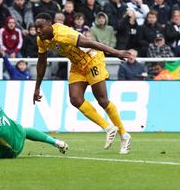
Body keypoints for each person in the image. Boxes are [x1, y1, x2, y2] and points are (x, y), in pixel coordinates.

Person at [33, 13, 132, 154]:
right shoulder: (41, 40)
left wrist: (116, 52)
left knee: (102, 100)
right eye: (36, 27)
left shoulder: (64, 34)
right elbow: (41, 62)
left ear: (50, 25)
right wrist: (37, 87)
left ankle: (124, 135)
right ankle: (109, 128)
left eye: (40, 27)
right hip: (77, 65)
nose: (38, 31)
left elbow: (92, 43)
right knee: (75, 99)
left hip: (92, 60)